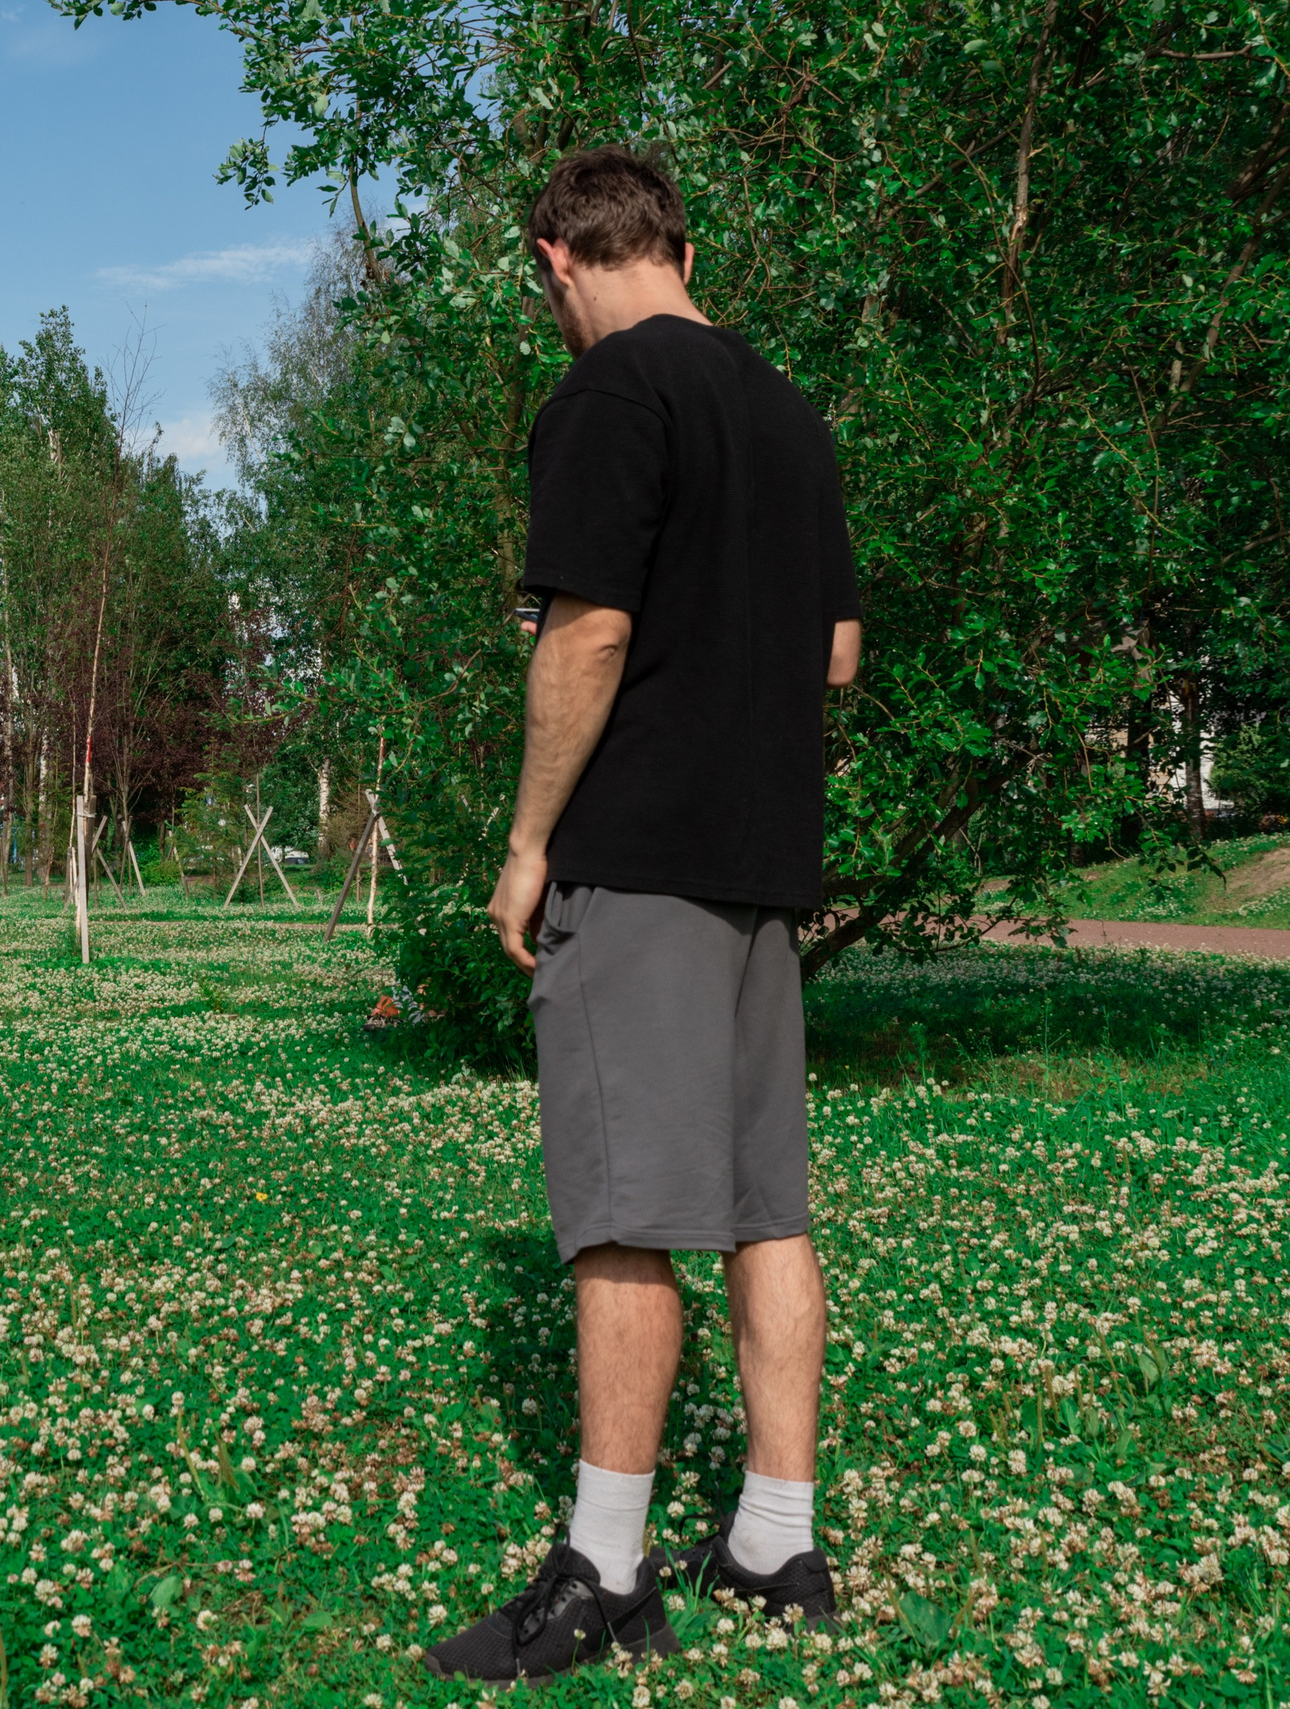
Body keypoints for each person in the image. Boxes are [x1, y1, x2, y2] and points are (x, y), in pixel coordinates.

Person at [425, 146, 865, 1686]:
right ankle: (775, 1537)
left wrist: (527, 843)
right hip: (765, 863)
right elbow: (836, 655)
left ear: (557, 259)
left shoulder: (608, 394)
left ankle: (605, 1572)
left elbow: (590, 632)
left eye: (542, 284)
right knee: (764, 1208)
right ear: (683, 247)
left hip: (644, 858)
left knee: (621, 1212)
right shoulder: (789, 416)